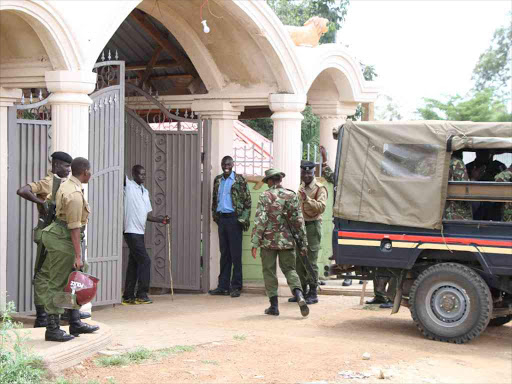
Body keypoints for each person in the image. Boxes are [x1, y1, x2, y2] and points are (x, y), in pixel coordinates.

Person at [16, 151, 87, 327]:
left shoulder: (66, 184)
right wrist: (41, 204)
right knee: (43, 274)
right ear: (55, 165)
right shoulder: (47, 182)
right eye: (65, 166)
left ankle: (67, 313)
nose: (69, 170)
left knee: (61, 274)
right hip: (49, 232)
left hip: (59, 235)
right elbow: (22, 190)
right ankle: (43, 316)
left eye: (70, 166)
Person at [40, 157, 99, 342]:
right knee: (58, 283)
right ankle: (52, 328)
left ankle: (74, 321)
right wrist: (78, 255)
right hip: (63, 238)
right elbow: (73, 227)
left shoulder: (69, 185)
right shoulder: (73, 193)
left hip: (65, 237)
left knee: (76, 280)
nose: (91, 174)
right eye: (90, 171)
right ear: (85, 173)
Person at [251, 168, 309, 317]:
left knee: (269, 271)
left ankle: (274, 307)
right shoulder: (291, 195)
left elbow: (260, 220)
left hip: (268, 241)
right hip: (287, 241)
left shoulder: (265, 196)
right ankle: (299, 296)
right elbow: (298, 221)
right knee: (290, 270)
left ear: (270, 181)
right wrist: (303, 243)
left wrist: (255, 243)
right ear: (280, 180)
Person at [122, 165, 169, 305]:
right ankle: (141, 294)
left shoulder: (145, 191)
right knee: (145, 261)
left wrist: (162, 220)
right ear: (133, 174)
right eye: (140, 174)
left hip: (140, 232)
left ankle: (128, 296)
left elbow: (147, 215)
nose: (143, 176)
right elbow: (118, 170)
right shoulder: (128, 186)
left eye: (144, 174)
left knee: (134, 263)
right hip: (130, 231)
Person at [209, 156, 251, 298]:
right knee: (224, 254)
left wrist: (242, 219)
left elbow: (247, 201)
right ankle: (223, 286)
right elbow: (214, 200)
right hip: (222, 220)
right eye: (223, 164)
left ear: (233, 164)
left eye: (228, 164)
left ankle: (236, 286)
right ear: (221, 165)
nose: (226, 166)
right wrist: (216, 216)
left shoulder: (239, 180)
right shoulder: (218, 180)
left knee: (235, 255)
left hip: (234, 220)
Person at [288, 161, 327, 305]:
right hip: (300, 226)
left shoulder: (320, 189)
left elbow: (321, 208)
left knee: (311, 260)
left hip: (312, 226)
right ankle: (302, 291)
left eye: (309, 173)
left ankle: (313, 292)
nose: (306, 175)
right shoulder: (301, 187)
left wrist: (307, 199)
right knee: (299, 260)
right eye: (303, 173)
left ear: (313, 173)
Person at [466, 150, 506, 221]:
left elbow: (506, 185)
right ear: (476, 151)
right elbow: (462, 189)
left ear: (492, 152)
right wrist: (473, 178)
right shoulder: (469, 167)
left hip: (495, 204)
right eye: (481, 151)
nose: (483, 153)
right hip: (474, 203)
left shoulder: (499, 166)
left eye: (487, 151)